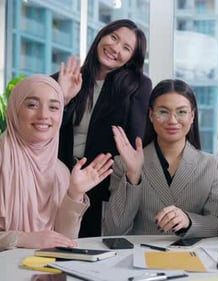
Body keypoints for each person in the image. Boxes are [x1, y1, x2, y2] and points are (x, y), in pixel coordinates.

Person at [0, 75, 113, 280]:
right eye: (32, 105)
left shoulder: (61, 171)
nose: (44, 115)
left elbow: (61, 244)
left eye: (54, 107)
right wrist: (19, 239)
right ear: (15, 110)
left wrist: (75, 194)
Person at [54, 19, 153, 237]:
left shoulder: (137, 86)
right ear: (101, 36)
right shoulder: (67, 79)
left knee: (91, 250)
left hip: (103, 183)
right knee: (55, 247)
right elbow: (44, 131)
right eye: (113, 37)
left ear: (131, 59)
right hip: (59, 179)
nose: (115, 48)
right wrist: (63, 98)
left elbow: (135, 141)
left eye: (126, 48)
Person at [103, 79, 218, 238]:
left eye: (181, 112)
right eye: (163, 112)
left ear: (192, 116)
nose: (172, 120)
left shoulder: (213, 166)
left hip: (191, 259)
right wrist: (133, 175)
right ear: (151, 115)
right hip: (137, 257)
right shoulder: (123, 163)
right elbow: (113, 231)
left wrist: (189, 221)